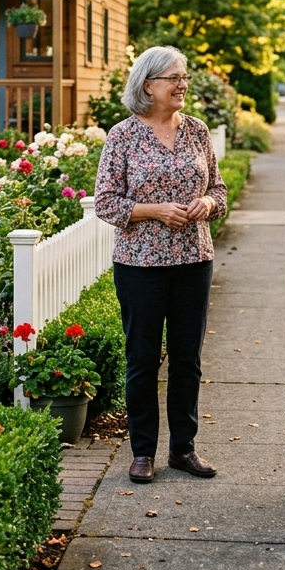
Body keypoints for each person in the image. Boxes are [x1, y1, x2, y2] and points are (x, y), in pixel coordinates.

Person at [95, 45, 228, 483]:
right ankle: (142, 452)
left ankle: (183, 449)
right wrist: (154, 210)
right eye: (173, 77)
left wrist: (207, 202)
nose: (182, 84)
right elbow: (105, 202)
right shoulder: (123, 136)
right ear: (148, 85)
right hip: (140, 265)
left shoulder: (198, 131)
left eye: (184, 76)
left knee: (188, 359)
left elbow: (221, 192)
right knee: (143, 358)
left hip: (194, 259)